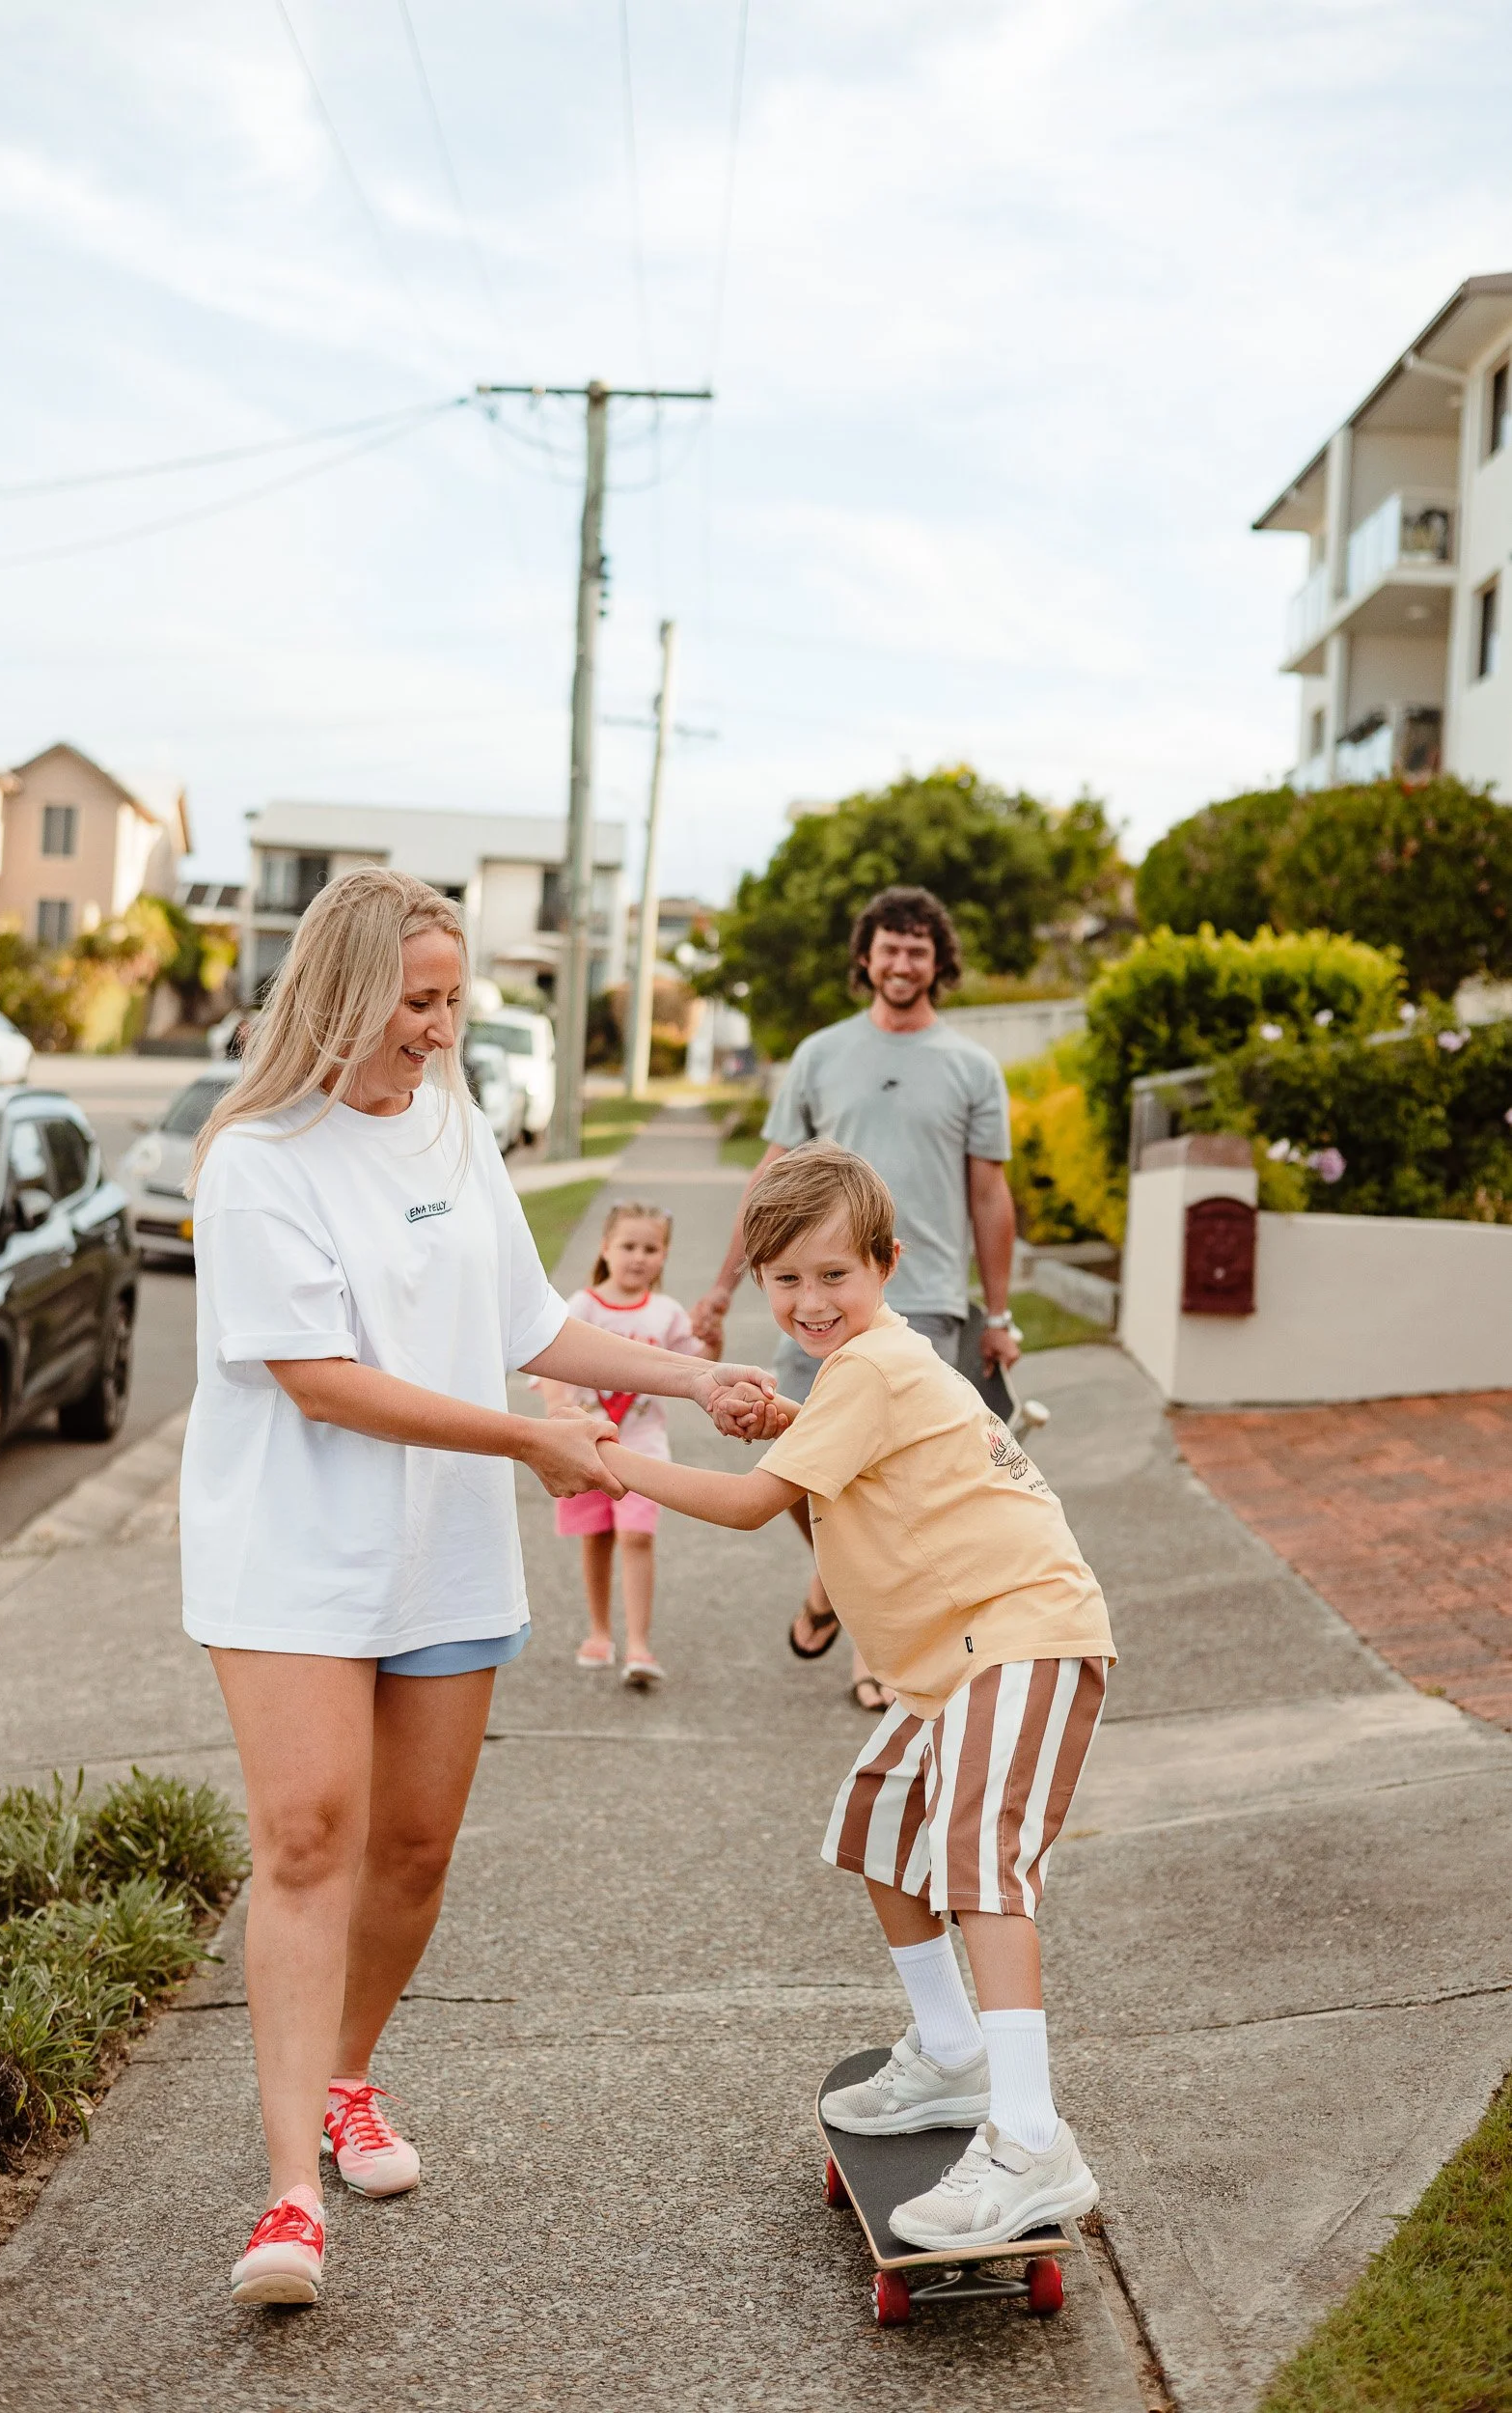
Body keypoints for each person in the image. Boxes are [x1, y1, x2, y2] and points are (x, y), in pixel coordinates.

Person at [179, 868, 773, 2308]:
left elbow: (536, 1324)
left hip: (438, 1546)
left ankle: (346, 2078)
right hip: (289, 1551)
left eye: (455, 1001)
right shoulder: (259, 1157)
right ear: (339, 992)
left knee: (417, 1852)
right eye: (421, 1001)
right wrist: (523, 1435)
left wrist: (692, 1374)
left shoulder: (449, 1123)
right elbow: (319, 1384)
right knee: (311, 1837)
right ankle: (283, 2198)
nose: (445, 1031)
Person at [604, 1143, 1113, 2247]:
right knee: (880, 1827)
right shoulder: (862, 1373)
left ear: (885, 1265)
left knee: (980, 1864)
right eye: (783, 1279)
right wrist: (785, 1421)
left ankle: (1029, 2137)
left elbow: (748, 1511)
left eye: (833, 1274)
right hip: (954, 1657)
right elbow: (858, 1457)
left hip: (1022, 1631)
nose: (808, 1300)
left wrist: (610, 1460)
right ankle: (952, 2055)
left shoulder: (874, 1364)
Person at [692, 886, 1022, 1712]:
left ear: (936, 963)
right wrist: (723, 1286)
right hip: (810, 1303)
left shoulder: (971, 1067)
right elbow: (770, 1182)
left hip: (928, 1302)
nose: (901, 962)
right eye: (888, 946)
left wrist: (1002, 1314)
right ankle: (835, 1583)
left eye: (917, 949)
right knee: (794, 1464)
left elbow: (989, 1196)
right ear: (865, 957)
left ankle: (876, 1643)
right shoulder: (818, 1055)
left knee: (890, 1485)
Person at [536, 1199, 709, 1688]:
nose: (639, 1257)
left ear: (665, 1255)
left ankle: (638, 1644)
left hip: (643, 1450)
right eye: (628, 1245)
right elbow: (551, 1365)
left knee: (637, 1535)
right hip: (586, 1447)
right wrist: (556, 1416)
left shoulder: (668, 1313)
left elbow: (697, 1367)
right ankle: (598, 1630)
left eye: (651, 1248)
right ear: (605, 1248)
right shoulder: (583, 1307)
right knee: (597, 1539)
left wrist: (710, 1336)